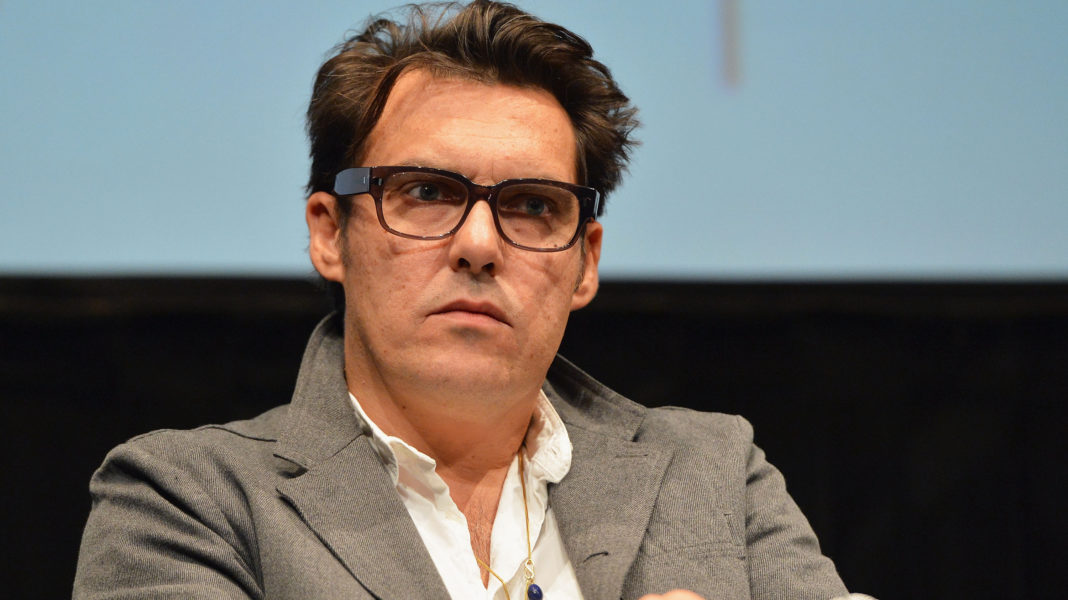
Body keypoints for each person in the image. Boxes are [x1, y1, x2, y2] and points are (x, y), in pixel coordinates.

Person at [74, 2, 852, 599]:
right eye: (425, 192)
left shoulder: (711, 469)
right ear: (330, 234)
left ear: (586, 262)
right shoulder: (187, 498)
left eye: (533, 206)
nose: (479, 244)